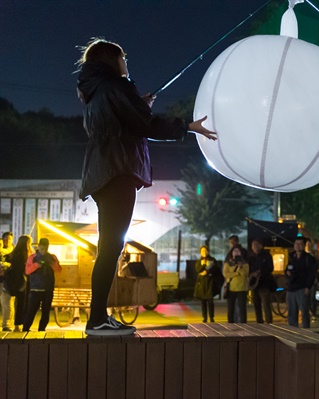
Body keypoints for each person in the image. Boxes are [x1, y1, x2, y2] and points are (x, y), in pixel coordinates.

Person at [76, 38, 216, 336]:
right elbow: (146, 126)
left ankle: (99, 317)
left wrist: (139, 106)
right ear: (111, 61)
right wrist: (186, 127)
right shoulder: (116, 87)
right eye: (122, 58)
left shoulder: (95, 92)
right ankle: (97, 319)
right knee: (111, 248)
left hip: (102, 172)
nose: (126, 63)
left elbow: (126, 121)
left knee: (110, 247)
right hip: (118, 172)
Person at [23, 238, 62, 332]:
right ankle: (25, 329)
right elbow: (27, 271)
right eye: (41, 249)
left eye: (45, 249)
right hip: (35, 289)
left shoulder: (52, 257)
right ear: (39, 246)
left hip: (48, 289)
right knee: (31, 311)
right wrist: (36, 265)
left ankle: (41, 330)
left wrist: (52, 264)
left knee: (46, 312)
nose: (43, 251)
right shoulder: (32, 257)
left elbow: (59, 270)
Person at [4, 235, 34, 332]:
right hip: (23, 282)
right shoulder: (25, 255)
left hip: (15, 282)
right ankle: (19, 325)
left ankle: (17, 325)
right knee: (23, 304)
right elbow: (24, 269)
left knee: (17, 304)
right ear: (27, 243)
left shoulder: (14, 253)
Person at [285, 237, 317, 328]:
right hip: (291, 288)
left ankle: (305, 331)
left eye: (300, 244)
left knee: (304, 311)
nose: (297, 246)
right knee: (291, 311)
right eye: (296, 244)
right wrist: (287, 273)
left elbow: (312, 274)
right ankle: (293, 330)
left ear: (303, 245)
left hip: (302, 288)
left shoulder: (309, 258)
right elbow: (287, 269)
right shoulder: (291, 257)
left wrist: (308, 287)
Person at [248, 239, 276, 324]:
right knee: (256, 305)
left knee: (266, 305)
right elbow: (248, 270)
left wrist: (260, 272)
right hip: (255, 285)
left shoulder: (267, 256)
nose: (255, 247)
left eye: (256, 245)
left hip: (264, 284)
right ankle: (259, 322)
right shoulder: (251, 258)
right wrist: (252, 274)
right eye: (253, 245)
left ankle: (269, 323)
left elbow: (270, 268)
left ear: (261, 245)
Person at [223, 245, 249, 323]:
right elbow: (226, 274)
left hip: (242, 289)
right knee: (230, 309)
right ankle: (230, 325)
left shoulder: (245, 264)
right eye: (234, 251)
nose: (236, 253)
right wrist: (237, 273)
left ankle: (244, 325)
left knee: (242, 309)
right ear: (231, 253)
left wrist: (240, 267)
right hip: (231, 289)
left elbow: (245, 275)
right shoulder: (228, 263)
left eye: (238, 251)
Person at [194, 246, 218, 323]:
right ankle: (204, 317)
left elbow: (215, 269)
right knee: (203, 302)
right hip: (202, 283)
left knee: (210, 301)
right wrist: (204, 265)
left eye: (205, 251)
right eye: (202, 251)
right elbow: (198, 269)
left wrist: (207, 272)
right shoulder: (199, 261)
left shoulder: (212, 260)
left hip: (210, 283)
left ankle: (211, 317)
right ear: (200, 252)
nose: (204, 252)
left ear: (208, 251)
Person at [0, 232, 14, 331]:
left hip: (8, 281)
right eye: (5, 239)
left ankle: (6, 324)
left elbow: (15, 265)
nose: (7, 241)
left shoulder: (14, 252)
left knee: (7, 304)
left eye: (9, 239)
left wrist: (6, 265)